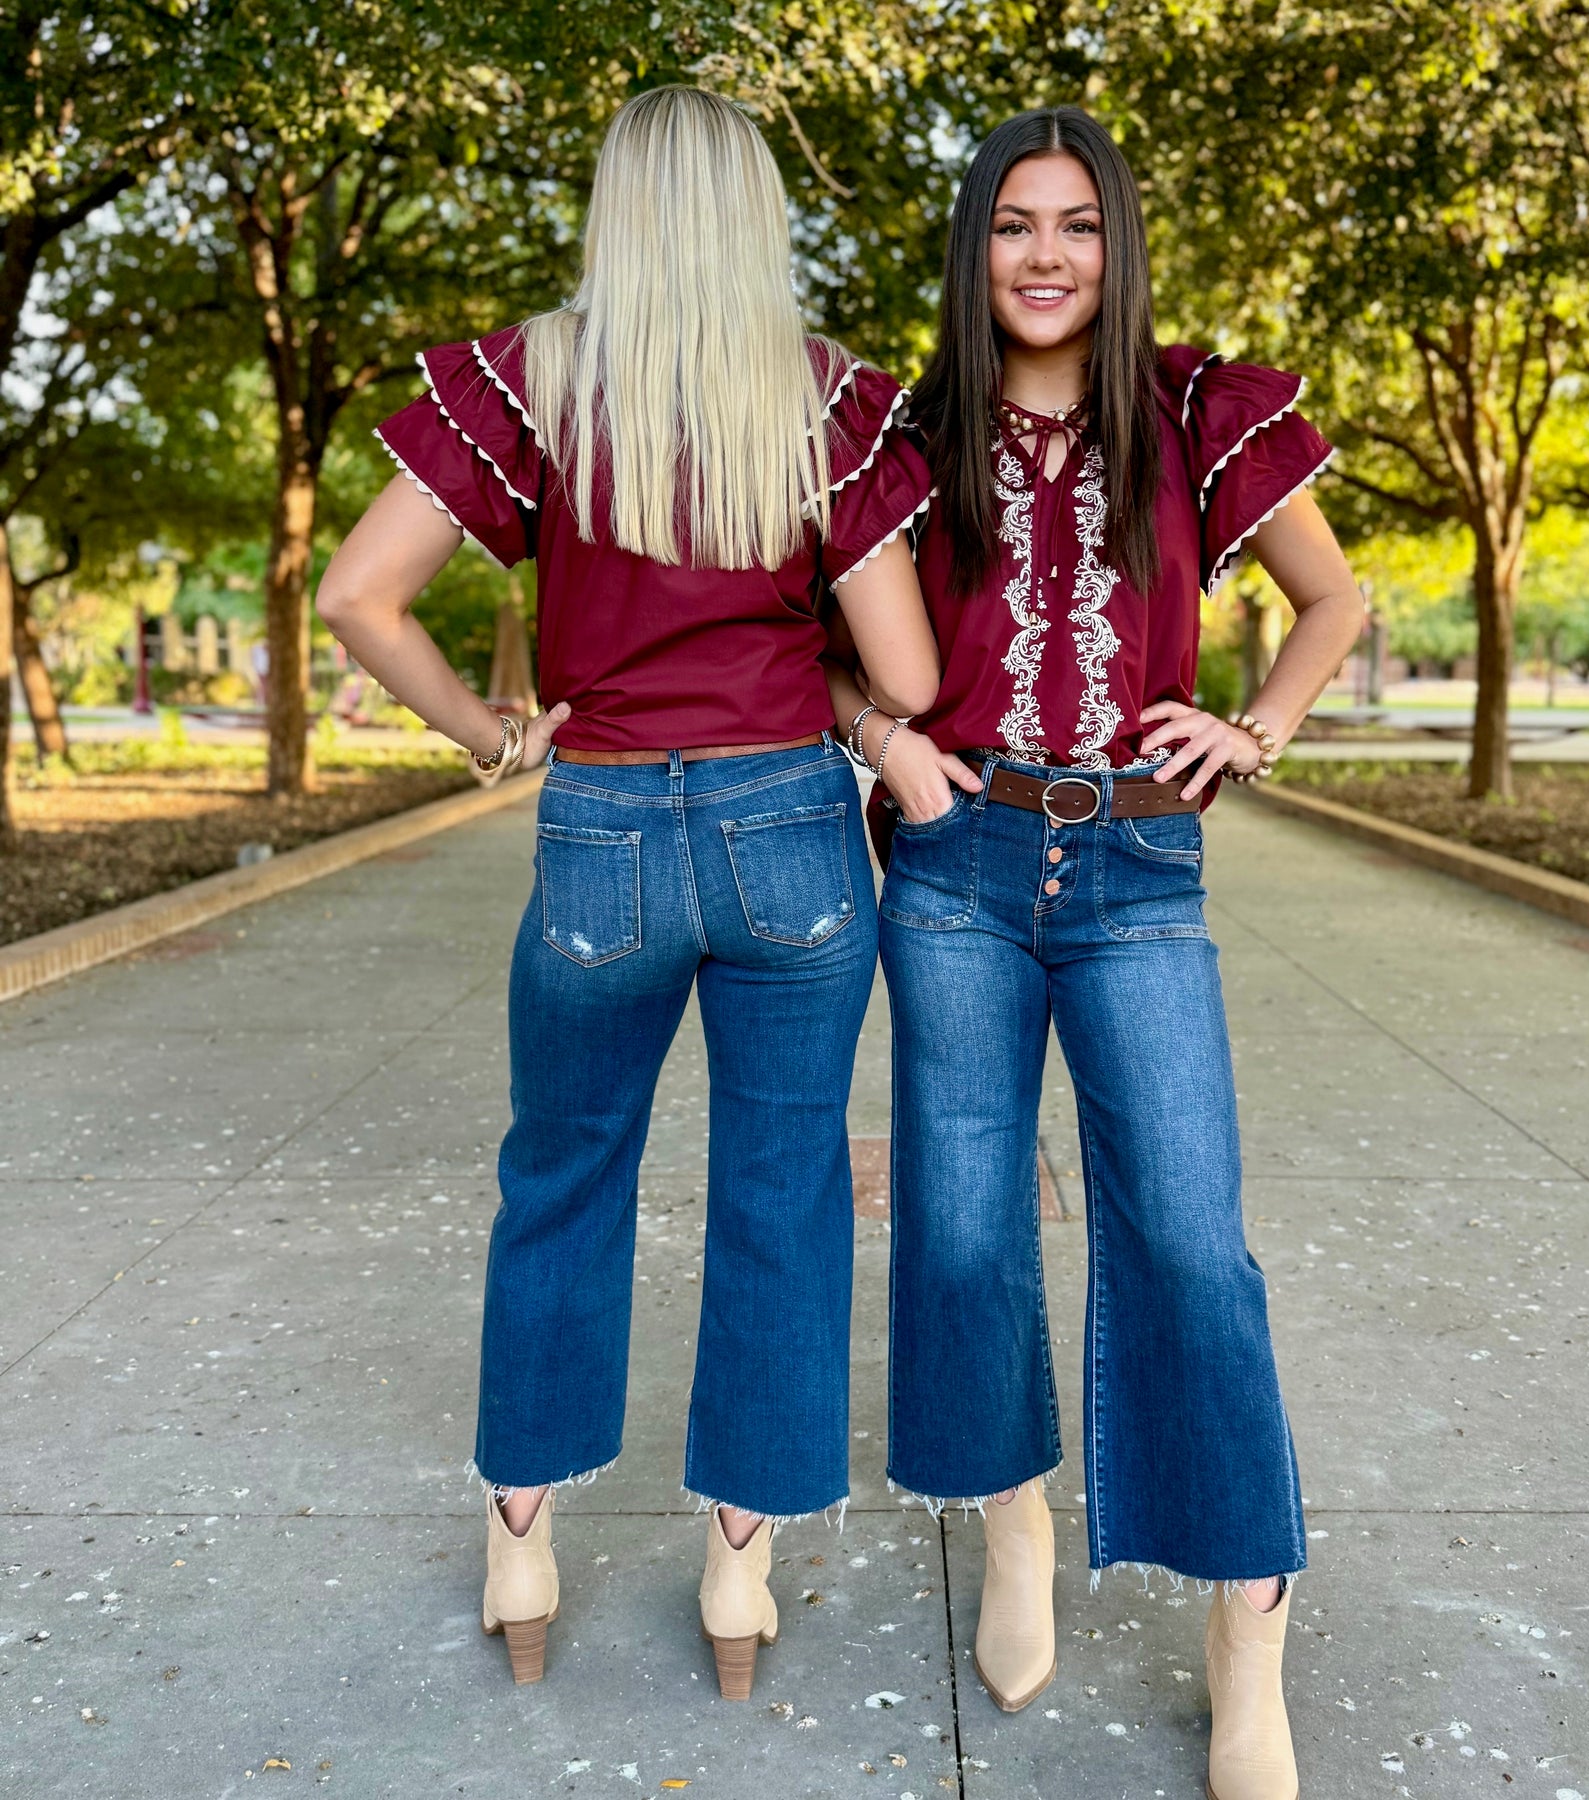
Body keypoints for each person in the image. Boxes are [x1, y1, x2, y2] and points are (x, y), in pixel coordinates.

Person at [317, 85, 939, 1694]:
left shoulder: (528, 383)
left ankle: (521, 1544)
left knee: (563, 1173)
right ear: (754, 218)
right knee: (783, 1187)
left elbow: (360, 597)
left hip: (598, 820)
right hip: (788, 821)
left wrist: (489, 735)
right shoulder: (822, 401)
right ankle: (737, 1572)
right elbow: (908, 676)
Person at [828, 108, 1364, 1800]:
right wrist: (881, 739)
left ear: (1116, 243)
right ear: (973, 247)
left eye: (1075, 223)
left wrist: (1258, 727)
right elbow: (810, 639)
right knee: (965, 1227)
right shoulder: (901, 437)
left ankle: (1246, 1629)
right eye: (1012, 224)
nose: (1045, 254)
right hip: (955, 869)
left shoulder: (1201, 412)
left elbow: (1335, 602)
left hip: (1140, 864)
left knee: (1193, 1242)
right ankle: (1013, 1521)